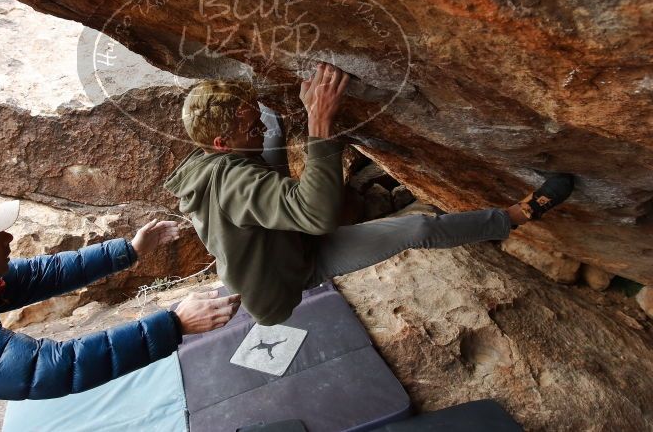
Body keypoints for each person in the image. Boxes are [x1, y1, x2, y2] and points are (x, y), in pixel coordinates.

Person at [165, 62, 574, 326]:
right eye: (247, 126)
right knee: (416, 227)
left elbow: (265, 131)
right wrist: (319, 120)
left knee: (273, 135)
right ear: (222, 144)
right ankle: (516, 217)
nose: (257, 125)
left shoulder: (216, 155)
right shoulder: (232, 185)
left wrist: (271, 106)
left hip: (283, 242)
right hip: (290, 277)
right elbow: (314, 216)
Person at [0, 190, 240, 431]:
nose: (9, 237)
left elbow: (40, 273)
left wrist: (128, 250)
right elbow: (52, 367)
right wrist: (173, 323)